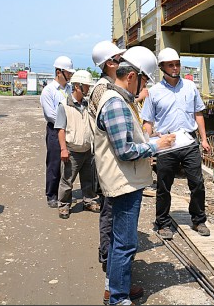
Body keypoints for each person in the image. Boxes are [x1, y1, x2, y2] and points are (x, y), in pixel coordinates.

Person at [94, 46, 175, 305]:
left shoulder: (120, 100)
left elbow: (129, 138)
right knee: (125, 243)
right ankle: (117, 297)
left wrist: (152, 138)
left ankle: (120, 287)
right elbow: (125, 150)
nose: (143, 88)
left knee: (122, 240)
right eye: (143, 80)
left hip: (126, 180)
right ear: (131, 76)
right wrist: (155, 146)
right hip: (123, 183)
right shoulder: (115, 103)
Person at [140, 47, 211, 239]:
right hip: (166, 143)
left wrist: (203, 139)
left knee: (197, 183)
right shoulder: (154, 92)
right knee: (164, 185)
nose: (175, 68)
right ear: (162, 67)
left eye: (177, 64)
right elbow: (148, 121)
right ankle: (162, 222)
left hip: (188, 141)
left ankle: (198, 220)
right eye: (170, 65)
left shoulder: (190, 87)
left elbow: (198, 113)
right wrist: (148, 148)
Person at [88, 41, 126, 274]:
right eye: (120, 58)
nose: (123, 61)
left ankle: (111, 256)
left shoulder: (110, 85)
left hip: (111, 157)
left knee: (112, 210)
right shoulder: (104, 90)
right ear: (110, 63)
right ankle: (108, 257)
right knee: (110, 211)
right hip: (109, 159)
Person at [55, 70, 101, 219]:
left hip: (88, 149)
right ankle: (63, 205)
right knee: (67, 180)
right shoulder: (64, 106)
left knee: (88, 179)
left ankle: (89, 201)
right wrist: (63, 149)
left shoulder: (88, 105)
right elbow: (61, 130)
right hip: (72, 150)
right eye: (86, 86)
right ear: (77, 86)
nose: (88, 89)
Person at [40, 56, 75, 208]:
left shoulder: (71, 89)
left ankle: (65, 194)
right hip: (55, 130)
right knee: (54, 163)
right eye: (68, 72)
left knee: (69, 164)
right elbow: (50, 114)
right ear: (59, 72)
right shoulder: (49, 91)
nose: (70, 75)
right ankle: (52, 194)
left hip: (70, 130)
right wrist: (67, 123)